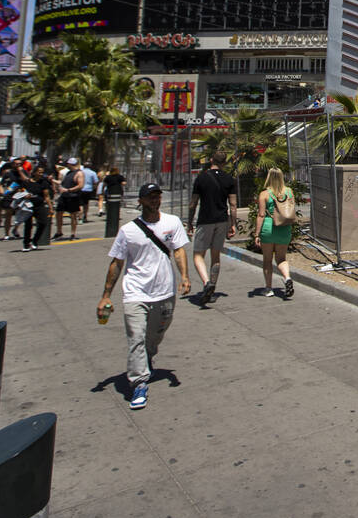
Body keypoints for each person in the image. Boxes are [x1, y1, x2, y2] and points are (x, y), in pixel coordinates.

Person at [97, 183, 190, 410]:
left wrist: (185, 277)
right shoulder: (128, 231)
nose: (155, 201)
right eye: (150, 197)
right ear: (140, 201)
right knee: (136, 337)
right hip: (135, 292)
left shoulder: (172, 222)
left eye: (157, 196)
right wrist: (106, 295)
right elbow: (117, 263)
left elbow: (178, 251)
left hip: (164, 291)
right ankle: (139, 382)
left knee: (157, 333)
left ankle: (148, 356)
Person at [187, 152, 238, 305]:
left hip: (205, 219)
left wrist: (190, 221)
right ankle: (213, 286)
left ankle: (206, 282)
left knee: (198, 255)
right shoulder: (229, 179)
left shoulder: (202, 178)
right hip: (221, 220)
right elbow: (233, 205)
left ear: (211, 160)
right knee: (216, 256)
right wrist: (233, 223)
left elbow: (193, 202)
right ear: (225, 163)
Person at [254, 168, 294, 298]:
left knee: (267, 259)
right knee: (281, 258)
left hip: (268, 227)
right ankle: (287, 278)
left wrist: (257, 234)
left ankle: (268, 288)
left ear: (269, 177)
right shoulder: (289, 192)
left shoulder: (264, 194)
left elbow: (261, 215)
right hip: (284, 228)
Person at [19, 165, 53, 252]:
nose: (41, 174)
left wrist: (50, 207)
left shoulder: (44, 183)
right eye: (39, 172)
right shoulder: (27, 182)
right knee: (28, 225)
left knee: (43, 223)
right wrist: (25, 195)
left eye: (42, 172)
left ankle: (35, 241)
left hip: (39, 206)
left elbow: (47, 196)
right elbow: (20, 191)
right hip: (28, 206)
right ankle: (26, 244)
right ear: (34, 173)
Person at [53, 158, 85, 240]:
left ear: (71, 164)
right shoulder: (68, 173)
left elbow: (80, 185)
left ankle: (73, 233)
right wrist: (53, 181)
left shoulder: (79, 173)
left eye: (67, 164)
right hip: (64, 196)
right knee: (59, 213)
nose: (66, 165)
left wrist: (69, 190)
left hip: (73, 196)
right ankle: (59, 231)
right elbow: (62, 183)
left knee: (73, 215)